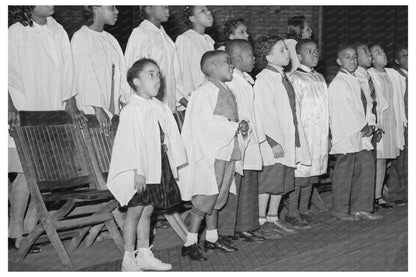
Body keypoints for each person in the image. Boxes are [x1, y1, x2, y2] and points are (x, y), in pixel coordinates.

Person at [8, 5, 86, 252]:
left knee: (46, 172)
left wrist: (71, 104)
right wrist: (9, 107)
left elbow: (68, 71)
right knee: (24, 171)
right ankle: (13, 231)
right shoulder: (15, 32)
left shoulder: (58, 30)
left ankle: (31, 228)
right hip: (23, 110)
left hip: (51, 109)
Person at [107, 58, 187, 271]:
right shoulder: (133, 109)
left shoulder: (158, 107)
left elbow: (167, 137)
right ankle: (128, 257)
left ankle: (144, 253)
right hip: (138, 169)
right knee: (135, 211)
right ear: (136, 81)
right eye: (150, 74)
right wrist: (137, 172)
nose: (157, 79)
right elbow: (128, 144)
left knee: (148, 210)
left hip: (157, 166)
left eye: (158, 75)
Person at [178, 50, 249, 261]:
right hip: (211, 152)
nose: (232, 66)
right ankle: (189, 242)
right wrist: (233, 127)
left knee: (219, 194)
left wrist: (240, 127)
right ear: (212, 68)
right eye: (227, 63)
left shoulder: (225, 89)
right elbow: (204, 122)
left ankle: (211, 237)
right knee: (206, 195)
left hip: (226, 149)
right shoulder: (205, 92)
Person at [253, 35, 310, 236]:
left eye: (286, 49)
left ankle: (273, 217)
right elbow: (263, 113)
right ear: (269, 57)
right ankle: (261, 221)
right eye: (282, 50)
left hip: (287, 138)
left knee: (281, 181)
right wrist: (273, 141)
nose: (288, 53)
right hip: (273, 142)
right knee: (269, 182)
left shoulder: (283, 77)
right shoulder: (263, 80)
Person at [217, 39, 266, 242]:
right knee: (233, 185)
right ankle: (225, 230)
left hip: (250, 140)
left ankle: (245, 225)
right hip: (237, 141)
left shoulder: (245, 79)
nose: (254, 59)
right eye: (250, 55)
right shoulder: (231, 82)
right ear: (237, 59)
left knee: (247, 185)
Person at [328, 44, 382, 221]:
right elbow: (346, 110)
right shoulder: (338, 83)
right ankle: (340, 209)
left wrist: (371, 123)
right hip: (347, 132)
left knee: (366, 166)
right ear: (339, 61)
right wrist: (362, 126)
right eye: (347, 57)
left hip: (362, 132)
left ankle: (361, 207)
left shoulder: (356, 80)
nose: (351, 60)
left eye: (354, 57)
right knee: (345, 171)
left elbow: (367, 105)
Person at [286, 39, 329, 227]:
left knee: (313, 173)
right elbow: (293, 110)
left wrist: (328, 133)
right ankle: (292, 212)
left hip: (319, 133)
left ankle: (305, 209)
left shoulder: (320, 77)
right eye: (309, 51)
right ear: (300, 56)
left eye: (316, 51)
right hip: (304, 133)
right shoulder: (296, 78)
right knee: (300, 174)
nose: (314, 54)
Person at [72, 5, 130, 136]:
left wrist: (125, 102)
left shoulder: (111, 39)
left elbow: (121, 73)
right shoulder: (81, 37)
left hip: (112, 111)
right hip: (91, 113)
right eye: (112, 8)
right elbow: (84, 77)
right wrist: (97, 108)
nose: (117, 11)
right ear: (95, 8)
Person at [368, 44, 407, 209]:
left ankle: (378, 196)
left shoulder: (392, 74)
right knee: (375, 160)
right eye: (377, 52)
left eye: (382, 50)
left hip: (392, 121)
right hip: (380, 122)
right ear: (371, 59)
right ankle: (370, 196)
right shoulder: (370, 74)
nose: (382, 53)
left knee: (383, 160)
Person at [124, 6, 183, 112]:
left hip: (167, 107)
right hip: (147, 108)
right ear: (149, 9)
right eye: (163, 5)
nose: (167, 8)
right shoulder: (140, 34)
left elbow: (173, 76)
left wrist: (182, 99)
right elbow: (133, 73)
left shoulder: (166, 38)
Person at [175, 6, 215, 110]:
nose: (209, 12)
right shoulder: (185, 40)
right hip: (195, 104)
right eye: (202, 11)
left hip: (210, 101)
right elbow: (179, 76)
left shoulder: (208, 41)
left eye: (207, 9)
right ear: (192, 18)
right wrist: (188, 104)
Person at [386, 45, 408, 205]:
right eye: (404, 55)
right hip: (402, 124)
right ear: (397, 60)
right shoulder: (395, 77)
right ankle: (397, 193)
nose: (409, 57)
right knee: (399, 161)